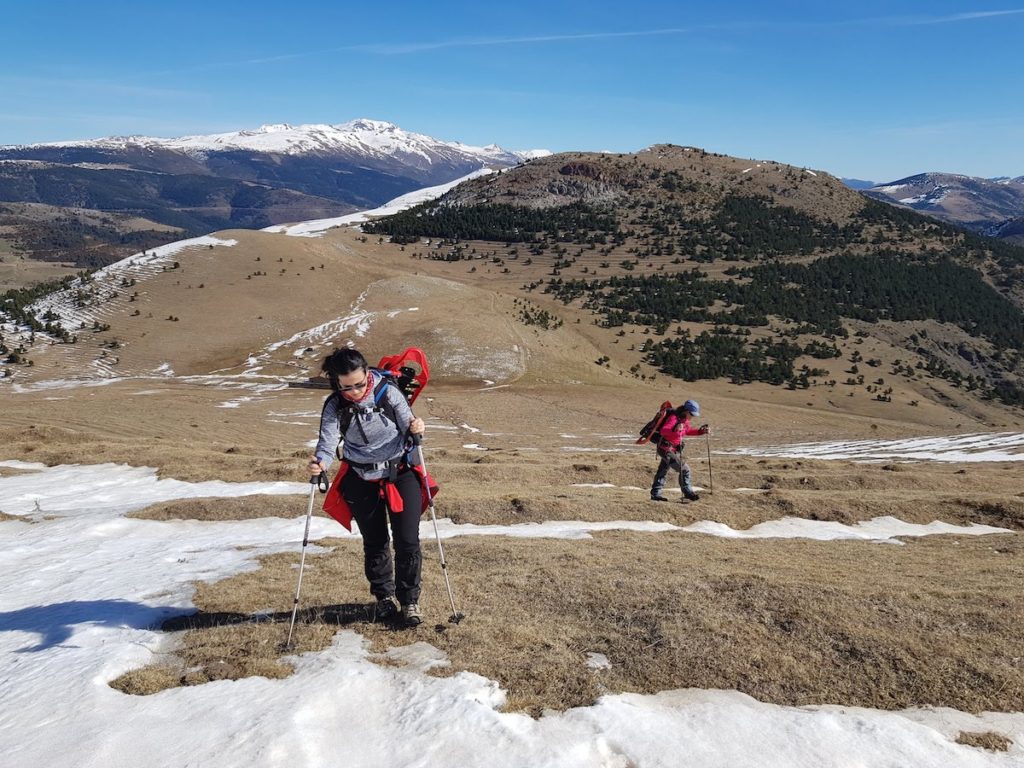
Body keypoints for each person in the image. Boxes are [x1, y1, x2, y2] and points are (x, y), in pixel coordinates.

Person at [307, 347, 427, 626]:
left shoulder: (388, 391)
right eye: (346, 387)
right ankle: (384, 597)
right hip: (361, 479)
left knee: (407, 540)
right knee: (375, 541)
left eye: (360, 384)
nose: (355, 391)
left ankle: (410, 601)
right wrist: (320, 463)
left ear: (367, 374)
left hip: (400, 473)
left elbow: (408, 422)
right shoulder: (334, 405)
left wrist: (416, 426)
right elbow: (327, 442)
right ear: (336, 382)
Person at [650, 399, 708, 502]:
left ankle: (655, 494)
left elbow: (687, 431)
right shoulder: (674, 418)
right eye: (692, 414)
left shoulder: (685, 420)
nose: (693, 416)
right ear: (686, 411)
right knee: (684, 469)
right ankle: (688, 492)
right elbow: (664, 431)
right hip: (665, 449)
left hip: (672, 449)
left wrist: (700, 432)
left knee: (662, 471)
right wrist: (675, 429)